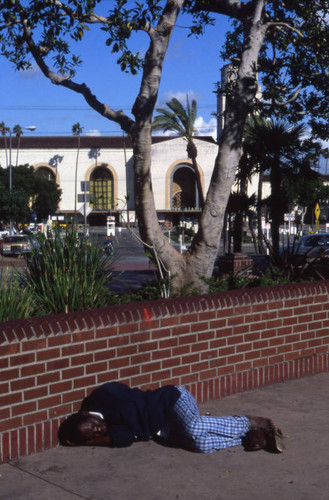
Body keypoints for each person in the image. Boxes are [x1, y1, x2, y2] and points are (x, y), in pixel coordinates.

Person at [58, 382, 284, 454]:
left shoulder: (105, 396)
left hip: (172, 400)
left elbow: (131, 401)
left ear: (86, 414)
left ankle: (254, 422)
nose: (101, 430)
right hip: (163, 429)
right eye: (95, 434)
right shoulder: (108, 430)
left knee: (194, 426)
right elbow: (125, 438)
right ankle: (250, 437)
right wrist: (83, 442)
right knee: (202, 445)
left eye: (96, 426)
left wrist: (89, 436)